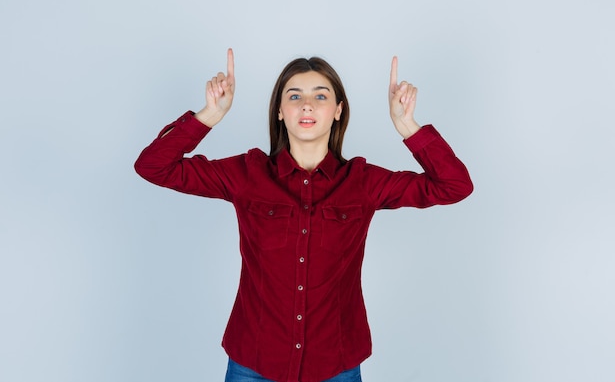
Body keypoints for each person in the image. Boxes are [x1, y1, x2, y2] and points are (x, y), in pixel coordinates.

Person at [134, 49, 473, 382]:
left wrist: (408, 126)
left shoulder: (363, 182)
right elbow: (153, 166)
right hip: (254, 363)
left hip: (335, 366)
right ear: (280, 111)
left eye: (320, 96)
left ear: (338, 111)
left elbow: (454, 185)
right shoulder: (247, 174)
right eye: (294, 95)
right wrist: (208, 115)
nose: (307, 104)